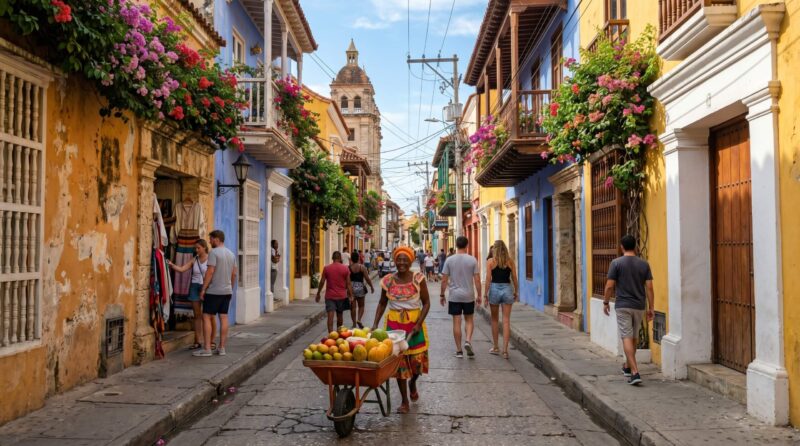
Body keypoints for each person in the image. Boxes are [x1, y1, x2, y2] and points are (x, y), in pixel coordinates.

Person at [372, 246, 431, 414]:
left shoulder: (418, 279)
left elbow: (426, 303)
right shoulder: (388, 280)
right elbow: (382, 303)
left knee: (416, 363)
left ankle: (413, 383)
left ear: (411, 261)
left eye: (405, 260)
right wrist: (375, 324)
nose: (402, 263)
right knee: (399, 365)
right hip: (394, 326)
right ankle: (405, 401)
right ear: (395, 261)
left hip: (414, 324)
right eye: (399, 259)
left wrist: (419, 323)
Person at [603, 234, 654, 386]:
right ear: (636, 247)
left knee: (626, 336)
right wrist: (651, 307)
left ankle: (635, 372)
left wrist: (605, 302)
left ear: (622, 247)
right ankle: (627, 366)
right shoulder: (644, 264)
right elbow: (650, 287)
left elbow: (610, 286)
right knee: (633, 337)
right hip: (639, 305)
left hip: (623, 305)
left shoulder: (616, 263)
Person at [194, 230, 237, 357]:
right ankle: (222, 348)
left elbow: (210, 271)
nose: (210, 242)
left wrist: (203, 289)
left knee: (206, 316)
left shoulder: (213, 253)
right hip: (227, 291)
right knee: (223, 317)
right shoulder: (231, 254)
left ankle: (207, 348)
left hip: (214, 291)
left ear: (217, 239)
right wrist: (230, 288)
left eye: (211, 239)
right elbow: (234, 274)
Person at [168, 239, 216, 350]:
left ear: (204, 247)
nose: (196, 250)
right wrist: (171, 265)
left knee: (210, 316)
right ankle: (197, 341)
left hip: (207, 287)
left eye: (198, 248)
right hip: (195, 287)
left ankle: (212, 341)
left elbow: (214, 273)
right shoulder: (194, 260)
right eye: (195, 248)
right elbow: (182, 269)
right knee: (197, 316)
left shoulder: (211, 259)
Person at [440, 236, 481, 358]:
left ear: (456, 246)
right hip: (468, 295)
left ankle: (459, 351)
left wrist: (442, 294)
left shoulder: (449, 260)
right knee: (469, 320)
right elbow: (477, 279)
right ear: (467, 245)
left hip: (454, 296)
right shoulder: (472, 260)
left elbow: (444, 279)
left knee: (456, 322)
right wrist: (479, 295)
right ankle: (468, 340)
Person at [484, 240, 519, 359]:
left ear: (495, 249)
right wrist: (516, 291)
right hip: (507, 289)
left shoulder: (490, 262)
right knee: (506, 321)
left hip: (494, 289)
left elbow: (488, 279)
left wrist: (485, 294)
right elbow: (514, 277)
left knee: (494, 320)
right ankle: (505, 351)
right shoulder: (510, 261)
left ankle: (495, 347)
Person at [316, 251, 354, 333]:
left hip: (330, 296)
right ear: (340, 258)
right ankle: (339, 334)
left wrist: (318, 293)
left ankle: (331, 335)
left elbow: (322, 282)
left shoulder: (327, 268)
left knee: (330, 315)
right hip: (342, 296)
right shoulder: (345, 268)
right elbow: (348, 284)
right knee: (340, 315)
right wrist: (351, 295)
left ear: (332, 258)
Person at [349, 249, 374, 328]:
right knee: (361, 306)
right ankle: (359, 319)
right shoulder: (362, 267)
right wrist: (371, 287)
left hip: (351, 288)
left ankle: (353, 323)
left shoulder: (348, 268)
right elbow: (367, 278)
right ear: (358, 258)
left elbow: (346, 280)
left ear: (351, 259)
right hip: (360, 287)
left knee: (353, 307)